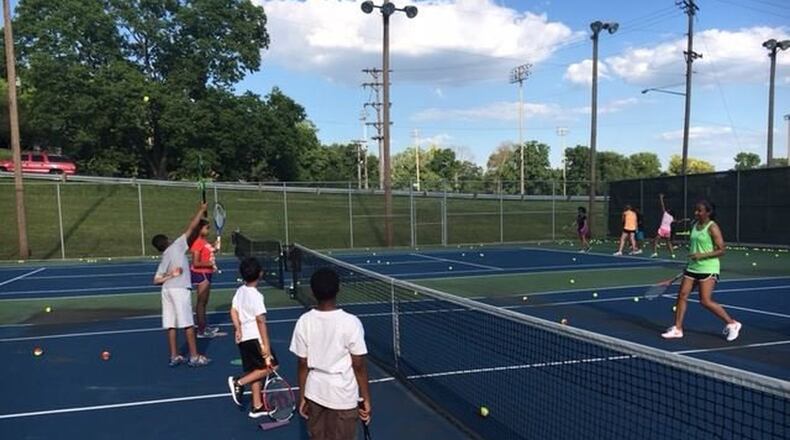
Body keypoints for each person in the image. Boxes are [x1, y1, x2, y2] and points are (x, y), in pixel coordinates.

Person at [289, 268, 371, 440]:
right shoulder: (351, 323)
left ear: (312, 292)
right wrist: (365, 398)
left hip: (314, 393)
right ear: (338, 290)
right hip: (344, 397)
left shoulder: (304, 322)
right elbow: (359, 366)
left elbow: (302, 364)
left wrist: (303, 395)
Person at [661, 200, 741, 341]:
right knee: (682, 295)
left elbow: (722, 250)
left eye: (699, 210)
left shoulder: (713, 227)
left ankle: (732, 324)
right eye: (696, 210)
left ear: (708, 212)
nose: (696, 213)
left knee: (705, 301)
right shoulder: (694, 225)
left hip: (708, 268)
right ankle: (678, 329)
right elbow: (694, 249)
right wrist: (687, 266)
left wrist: (701, 255)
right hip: (692, 267)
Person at [151, 203, 211, 367]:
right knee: (188, 323)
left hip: (166, 291)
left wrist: (170, 275)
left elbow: (156, 280)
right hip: (179, 290)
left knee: (171, 324)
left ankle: (174, 356)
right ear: (168, 241)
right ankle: (194, 356)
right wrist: (201, 209)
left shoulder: (164, 257)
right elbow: (192, 227)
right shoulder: (176, 246)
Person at [227, 257, 277, 418]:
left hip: (244, 339)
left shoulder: (240, 291)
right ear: (260, 274)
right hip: (255, 338)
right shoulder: (256, 296)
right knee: (272, 367)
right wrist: (266, 346)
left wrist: (238, 329)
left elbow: (233, 310)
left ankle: (257, 406)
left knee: (255, 370)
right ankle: (238, 382)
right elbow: (260, 321)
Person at [189, 219, 220, 338]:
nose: (208, 230)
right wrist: (210, 264)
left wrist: (214, 248)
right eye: (206, 228)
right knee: (201, 302)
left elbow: (208, 253)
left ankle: (204, 326)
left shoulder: (203, 241)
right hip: (201, 274)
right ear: (199, 229)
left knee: (204, 302)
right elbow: (196, 263)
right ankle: (201, 330)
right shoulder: (197, 242)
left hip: (207, 273)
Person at [651, 194, 676, 258]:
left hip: (662, 229)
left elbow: (662, 205)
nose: (667, 210)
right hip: (668, 231)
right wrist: (683, 220)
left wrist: (661, 198)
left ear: (669, 211)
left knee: (655, 241)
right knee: (668, 243)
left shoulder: (665, 214)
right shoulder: (672, 218)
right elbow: (676, 221)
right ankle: (673, 254)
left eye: (668, 210)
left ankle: (655, 253)